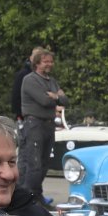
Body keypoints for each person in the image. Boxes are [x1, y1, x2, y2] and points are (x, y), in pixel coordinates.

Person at [18, 50, 65, 200]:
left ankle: (36, 197)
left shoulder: (52, 81)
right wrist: (57, 97)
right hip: (34, 125)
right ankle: (27, 198)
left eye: (51, 61)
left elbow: (65, 100)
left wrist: (54, 96)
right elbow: (44, 101)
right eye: (46, 61)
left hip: (49, 125)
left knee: (44, 164)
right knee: (34, 164)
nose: (50, 64)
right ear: (37, 63)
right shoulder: (29, 80)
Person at [9, 47, 43, 120]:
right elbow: (16, 97)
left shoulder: (44, 76)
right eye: (36, 56)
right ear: (31, 58)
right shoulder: (23, 75)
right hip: (26, 116)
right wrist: (21, 114)